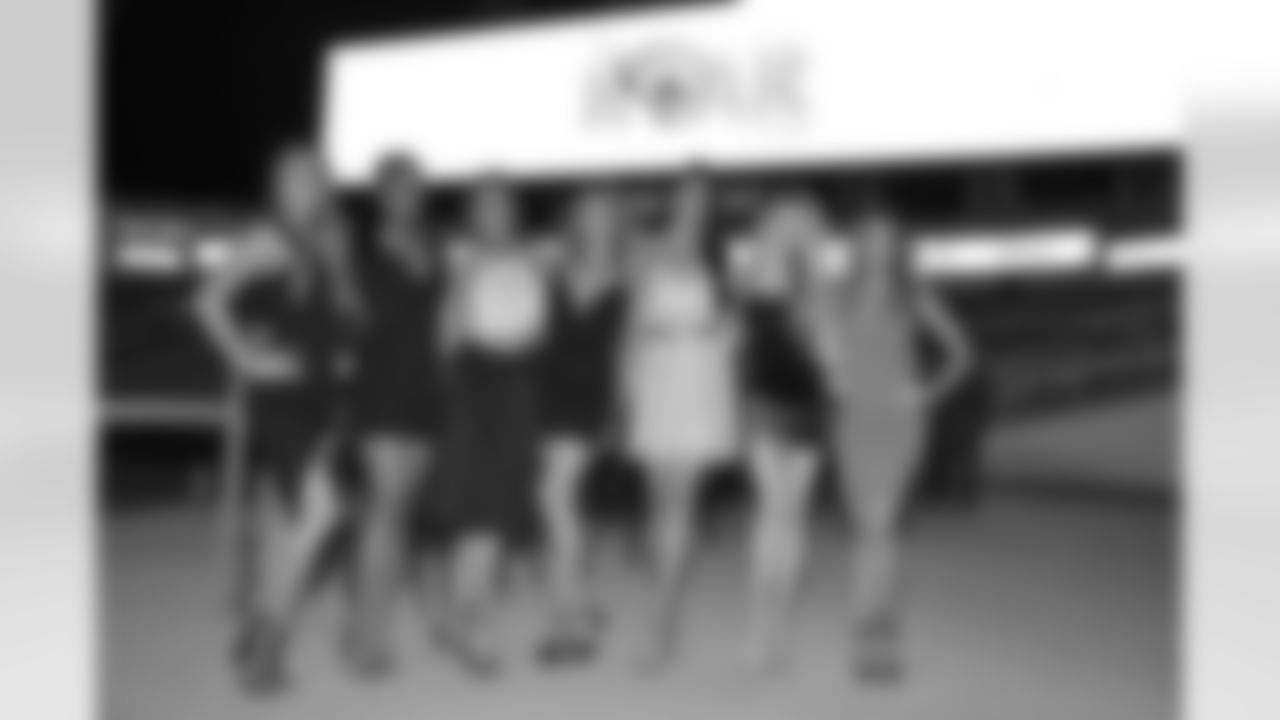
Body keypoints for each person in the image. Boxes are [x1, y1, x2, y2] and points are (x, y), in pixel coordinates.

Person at [193, 145, 362, 696]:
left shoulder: (325, 239)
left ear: (323, 184)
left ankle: (255, 635)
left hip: (322, 394)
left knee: (292, 521)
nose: (300, 184)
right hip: (284, 396)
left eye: (309, 175)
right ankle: (266, 644)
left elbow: (338, 315)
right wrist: (245, 358)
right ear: (275, 186)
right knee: (320, 513)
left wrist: (342, 351)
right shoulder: (268, 238)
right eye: (289, 176)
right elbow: (207, 302)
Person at [797, 199, 974, 685]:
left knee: (878, 529)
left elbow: (961, 354)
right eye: (869, 236)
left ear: (899, 246)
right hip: (853, 420)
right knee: (873, 532)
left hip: (900, 422)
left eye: (887, 237)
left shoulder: (915, 295)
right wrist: (827, 365)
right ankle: (878, 626)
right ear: (856, 244)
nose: (877, 245)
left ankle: (872, 636)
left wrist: (926, 392)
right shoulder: (836, 294)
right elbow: (812, 337)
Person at [430, 174, 557, 677]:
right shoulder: (459, 257)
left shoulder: (534, 259)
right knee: (477, 508)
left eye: (503, 204)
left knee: (500, 505)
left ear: (516, 211)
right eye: (484, 206)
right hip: (475, 381)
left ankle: (458, 617)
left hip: (520, 382)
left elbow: (541, 330)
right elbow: (444, 340)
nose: (495, 213)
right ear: (471, 215)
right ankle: (471, 623)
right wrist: (465, 282)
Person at [620, 169, 740, 671]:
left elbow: (736, 329)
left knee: (681, 501)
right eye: (686, 195)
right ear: (672, 199)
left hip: (702, 377)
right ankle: (665, 605)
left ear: (712, 205)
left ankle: (662, 619)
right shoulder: (645, 250)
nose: (693, 205)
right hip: (656, 374)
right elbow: (630, 326)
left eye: (703, 198)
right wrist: (626, 391)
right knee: (657, 501)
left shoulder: (720, 259)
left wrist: (725, 336)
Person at [344, 152, 443, 678]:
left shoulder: (434, 245)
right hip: (380, 386)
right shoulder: (358, 245)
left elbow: (442, 318)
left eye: (414, 187)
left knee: (400, 512)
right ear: (379, 193)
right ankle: (368, 637)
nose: (407, 195)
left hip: (427, 390)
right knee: (384, 507)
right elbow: (348, 315)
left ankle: (365, 618)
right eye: (397, 186)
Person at [729, 191, 831, 676]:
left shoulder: (819, 281)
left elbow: (829, 350)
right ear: (770, 226)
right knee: (772, 509)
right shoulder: (750, 275)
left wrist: (829, 346)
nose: (793, 230)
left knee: (793, 514)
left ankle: (781, 627)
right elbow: (738, 343)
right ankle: (756, 625)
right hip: (762, 402)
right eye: (784, 221)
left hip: (809, 403)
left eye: (802, 224)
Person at [535, 185, 628, 665]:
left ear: (616, 223)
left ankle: (566, 625)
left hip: (590, 401)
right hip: (541, 397)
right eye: (587, 214)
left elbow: (627, 353)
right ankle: (578, 607)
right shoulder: (552, 270)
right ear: (574, 223)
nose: (596, 222)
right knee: (561, 505)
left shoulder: (629, 277)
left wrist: (620, 413)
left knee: (554, 501)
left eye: (604, 214)